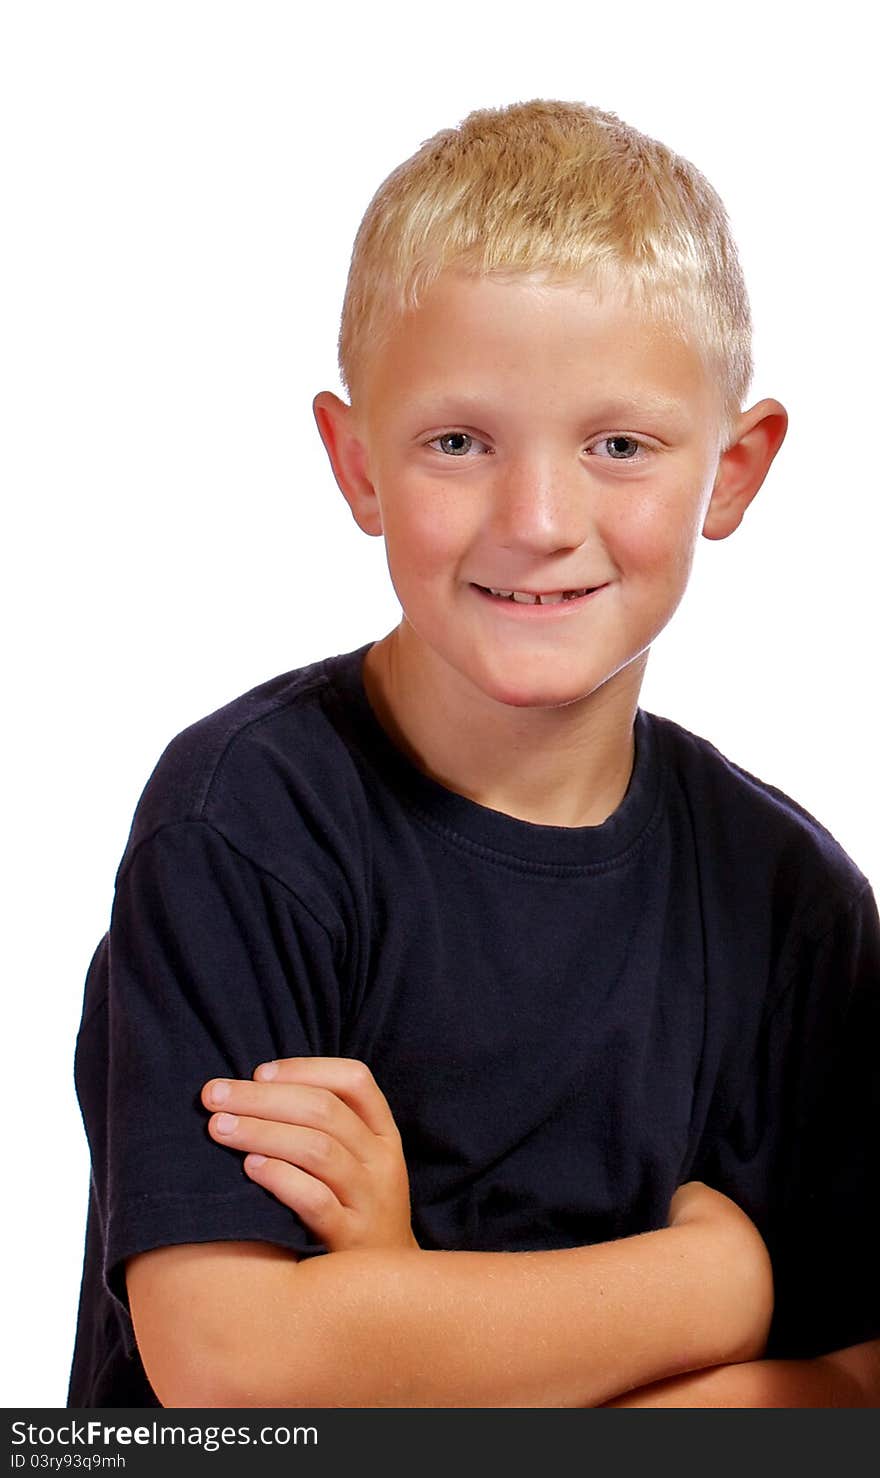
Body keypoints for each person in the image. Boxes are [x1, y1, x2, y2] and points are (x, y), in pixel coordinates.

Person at [67, 99, 880, 1409]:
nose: (540, 519)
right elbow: (231, 1365)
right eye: (459, 441)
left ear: (733, 472)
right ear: (357, 463)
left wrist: (393, 1320)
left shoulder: (794, 907)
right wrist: (715, 1286)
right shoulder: (246, 828)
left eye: (619, 444)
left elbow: (849, 1389)